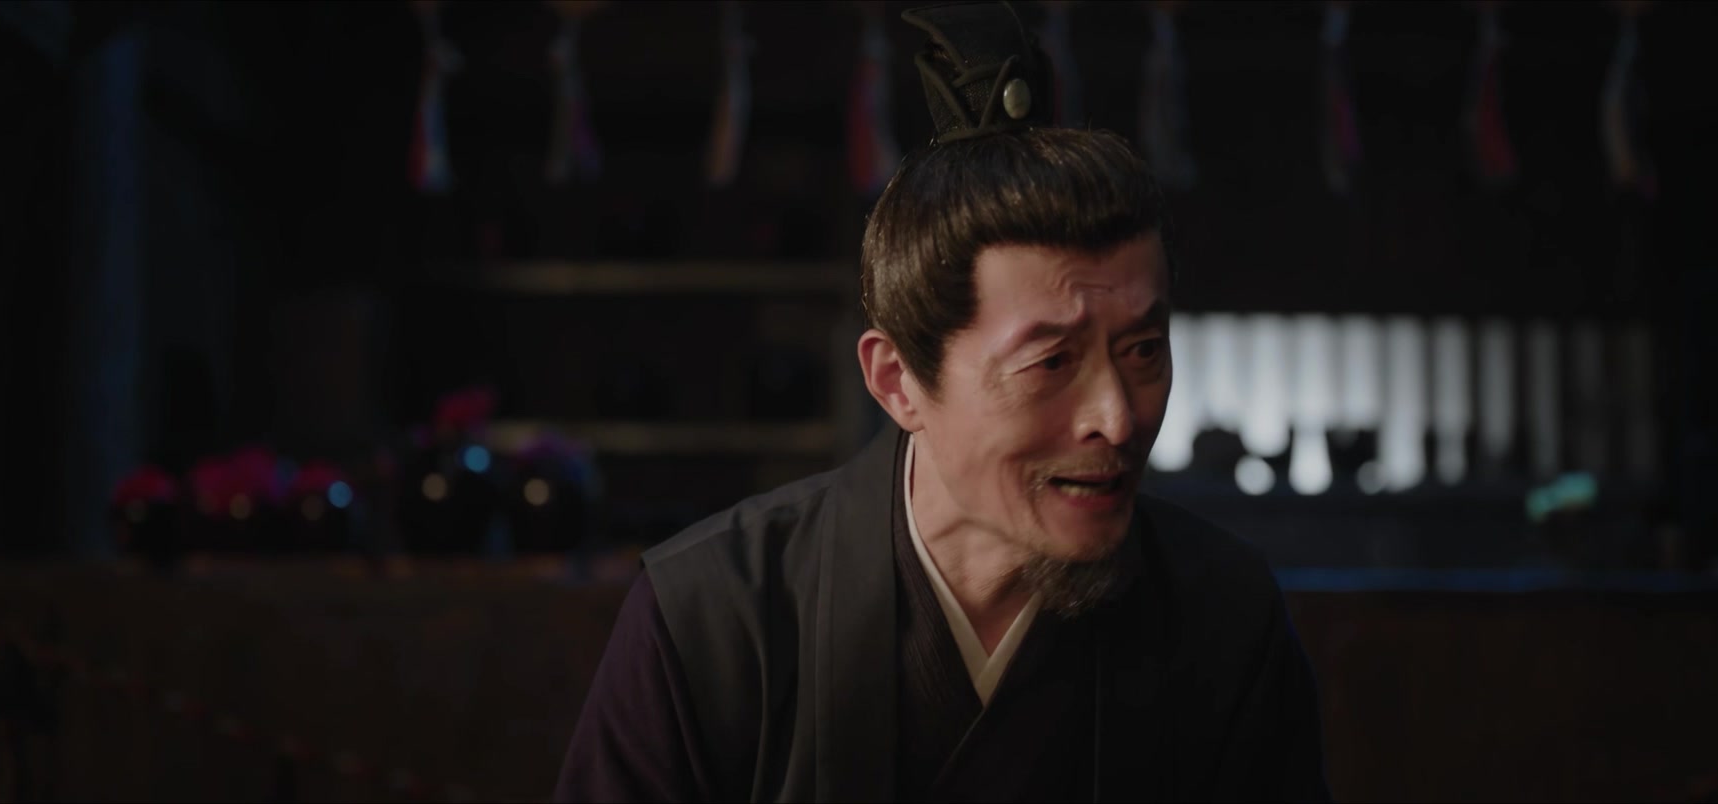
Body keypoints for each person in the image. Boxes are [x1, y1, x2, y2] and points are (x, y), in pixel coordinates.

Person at [555, 3, 1329, 801]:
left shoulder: (1221, 614)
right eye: (1051, 361)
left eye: (1143, 351)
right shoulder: (713, 616)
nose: (1118, 417)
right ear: (898, 381)